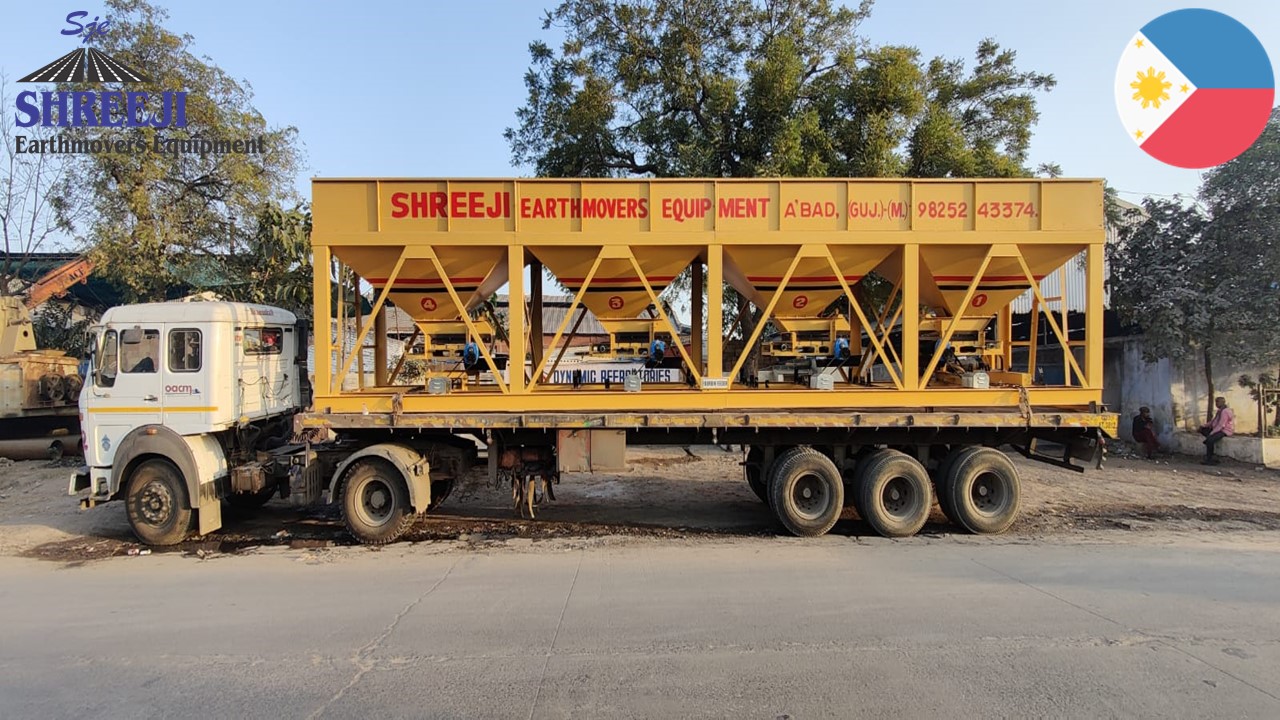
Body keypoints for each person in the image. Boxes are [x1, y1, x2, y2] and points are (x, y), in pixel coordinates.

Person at [1199, 396, 1234, 465]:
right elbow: (1214, 421)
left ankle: (1210, 459)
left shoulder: (1225, 411)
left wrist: (1212, 432)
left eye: (1218, 402)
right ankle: (1208, 440)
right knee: (1202, 430)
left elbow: (1221, 425)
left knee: (1210, 440)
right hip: (1217, 429)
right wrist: (1205, 425)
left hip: (1224, 430)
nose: (1216, 404)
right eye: (1216, 402)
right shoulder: (1220, 411)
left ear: (1223, 402)